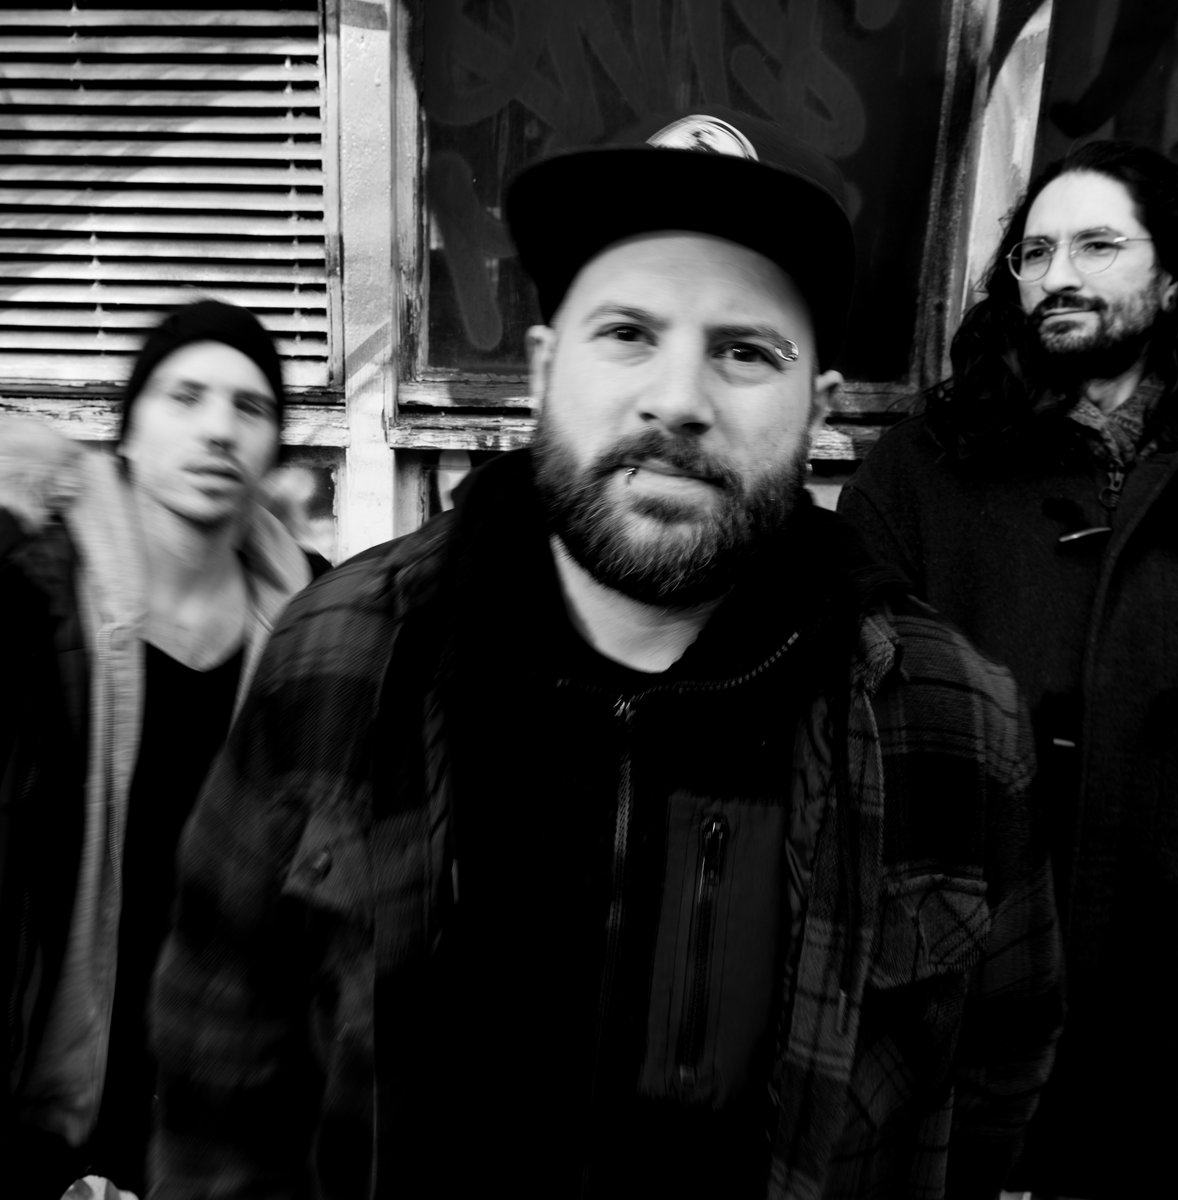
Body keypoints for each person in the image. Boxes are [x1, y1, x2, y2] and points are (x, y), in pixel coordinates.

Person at [149, 111, 1062, 1199]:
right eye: (627, 332)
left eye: (745, 351)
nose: (677, 399)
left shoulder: (948, 719)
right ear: (544, 368)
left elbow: (989, 1091)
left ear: (818, 409)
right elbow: (220, 1076)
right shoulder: (340, 657)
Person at [839, 140, 1178, 1198]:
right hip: (968, 984)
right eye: (1035, 253)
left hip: (1171, 1006)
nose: (1059, 275)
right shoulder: (927, 464)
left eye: (1097, 246)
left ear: (1174, 277)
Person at [0, 300, 325, 1199]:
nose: (218, 429)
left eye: (250, 408)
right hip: (41, 1106)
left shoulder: (319, 632)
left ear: (273, 448)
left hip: (224, 1118)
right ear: (130, 431)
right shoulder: (30, 601)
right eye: (185, 396)